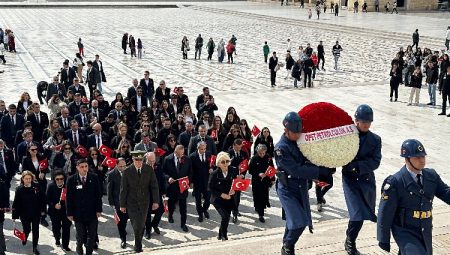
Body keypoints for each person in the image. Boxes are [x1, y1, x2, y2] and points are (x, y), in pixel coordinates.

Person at [377, 139, 450, 255]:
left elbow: (446, 192)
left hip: (425, 228)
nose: (422, 161)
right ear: (407, 159)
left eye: (423, 157)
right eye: (417, 158)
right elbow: (385, 212)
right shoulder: (395, 182)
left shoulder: (431, 176)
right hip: (405, 230)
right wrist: (383, 238)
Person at [275, 112, 333, 255]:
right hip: (288, 188)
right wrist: (319, 171)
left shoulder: (300, 142)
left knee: (294, 220)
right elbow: (295, 169)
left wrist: (326, 164)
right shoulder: (281, 148)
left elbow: (309, 158)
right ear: (286, 131)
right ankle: (287, 245)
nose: (298, 134)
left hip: (301, 187)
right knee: (298, 221)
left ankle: (288, 245)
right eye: (295, 132)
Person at [341, 105, 381, 255]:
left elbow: (375, 161)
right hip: (350, 180)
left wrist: (357, 166)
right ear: (356, 120)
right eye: (362, 121)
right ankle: (350, 242)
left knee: (363, 213)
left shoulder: (375, 140)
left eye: (368, 122)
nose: (365, 124)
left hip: (366, 179)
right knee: (356, 212)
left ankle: (350, 237)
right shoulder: (347, 136)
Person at [120, 151, 159, 253]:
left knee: (141, 224)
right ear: (133, 160)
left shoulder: (148, 169)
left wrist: (156, 201)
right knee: (136, 225)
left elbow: (154, 186)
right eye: (136, 160)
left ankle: (138, 243)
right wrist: (122, 205)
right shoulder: (127, 171)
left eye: (140, 160)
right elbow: (123, 189)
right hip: (131, 202)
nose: (139, 162)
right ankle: (138, 246)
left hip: (144, 202)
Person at [66, 159, 103, 255]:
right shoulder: (71, 180)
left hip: (92, 213)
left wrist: (99, 210)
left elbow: (98, 195)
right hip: (78, 214)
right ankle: (79, 250)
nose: (84, 169)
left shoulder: (94, 178)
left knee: (92, 236)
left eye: (86, 166)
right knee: (80, 236)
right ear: (77, 168)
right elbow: (69, 198)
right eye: (82, 167)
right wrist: (69, 213)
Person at [12, 171, 46, 255]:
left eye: (29, 179)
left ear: (32, 178)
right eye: (26, 179)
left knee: (36, 230)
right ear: (22, 179)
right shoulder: (19, 189)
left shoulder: (37, 187)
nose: (28, 180)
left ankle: (35, 247)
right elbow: (16, 203)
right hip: (24, 214)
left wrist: (43, 210)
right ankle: (25, 237)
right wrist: (14, 216)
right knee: (27, 229)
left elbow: (43, 199)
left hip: (36, 213)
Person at [208, 151, 239, 241]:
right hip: (218, 199)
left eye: (227, 161)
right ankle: (224, 235)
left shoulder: (233, 170)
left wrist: (234, 190)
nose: (225, 164)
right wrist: (221, 195)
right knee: (225, 216)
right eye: (223, 162)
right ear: (218, 164)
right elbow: (210, 188)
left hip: (229, 198)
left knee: (226, 217)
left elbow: (236, 183)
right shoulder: (214, 174)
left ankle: (220, 234)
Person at [163, 145, 192, 232]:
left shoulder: (187, 160)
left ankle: (183, 224)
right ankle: (170, 215)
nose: (181, 156)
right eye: (179, 154)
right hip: (172, 188)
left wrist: (188, 182)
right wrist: (168, 178)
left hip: (183, 188)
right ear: (175, 152)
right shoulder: (167, 159)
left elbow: (190, 173)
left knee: (183, 208)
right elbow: (163, 172)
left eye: (182, 154)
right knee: (171, 205)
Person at [46, 171, 72, 251]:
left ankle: (65, 245)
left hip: (66, 211)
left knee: (66, 228)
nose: (60, 180)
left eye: (61, 179)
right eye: (57, 179)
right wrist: (54, 205)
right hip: (54, 212)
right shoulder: (51, 186)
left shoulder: (68, 186)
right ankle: (57, 238)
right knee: (56, 228)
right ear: (54, 179)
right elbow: (47, 199)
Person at [249, 144, 274, 222]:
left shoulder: (268, 158)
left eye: (263, 153)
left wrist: (273, 179)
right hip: (256, 181)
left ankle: (261, 214)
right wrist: (258, 173)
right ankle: (258, 208)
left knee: (263, 197)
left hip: (265, 181)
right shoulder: (254, 158)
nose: (262, 155)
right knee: (257, 196)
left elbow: (272, 169)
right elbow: (250, 170)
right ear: (257, 152)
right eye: (260, 153)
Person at [107, 158, 129, 249]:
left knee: (126, 219)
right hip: (118, 202)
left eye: (124, 166)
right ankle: (123, 238)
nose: (123, 168)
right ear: (116, 165)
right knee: (120, 222)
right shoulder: (111, 174)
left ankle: (123, 230)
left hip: (129, 202)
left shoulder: (129, 172)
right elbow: (109, 190)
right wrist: (112, 203)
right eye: (120, 166)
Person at [144, 152, 165, 239]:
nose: (152, 162)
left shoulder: (158, 166)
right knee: (147, 214)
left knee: (161, 211)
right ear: (146, 160)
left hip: (157, 194)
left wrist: (164, 192)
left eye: (153, 160)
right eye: (150, 161)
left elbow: (162, 180)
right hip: (146, 195)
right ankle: (148, 230)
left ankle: (154, 224)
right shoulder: (142, 168)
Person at [190, 141, 212, 222]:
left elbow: (213, 164)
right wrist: (191, 182)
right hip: (197, 182)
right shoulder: (192, 156)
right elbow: (191, 171)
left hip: (207, 181)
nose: (203, 151)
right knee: (198, 200)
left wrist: (212, 168)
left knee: (208, 198)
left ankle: (204, 209)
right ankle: (200, 214)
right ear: (198, 148)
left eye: (205, 149)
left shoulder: (209, 154)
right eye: (202, 149)